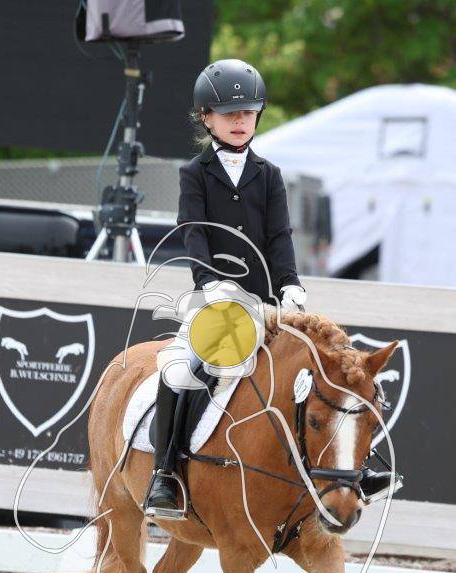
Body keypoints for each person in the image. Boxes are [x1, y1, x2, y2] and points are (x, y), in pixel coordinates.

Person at [143, 59, 399, 519]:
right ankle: (165, 474)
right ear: (207, 118)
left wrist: (290, 285)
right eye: (229, 114)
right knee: (178, 371)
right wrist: (210, 283)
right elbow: (194, 233)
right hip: (216, 303)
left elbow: (279, 237)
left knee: (330, 380)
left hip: (267, 306)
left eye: (247, 113)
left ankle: (357, 472)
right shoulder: (194, 174)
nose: (239, 121)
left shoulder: (269, 174)